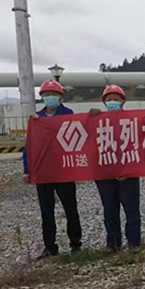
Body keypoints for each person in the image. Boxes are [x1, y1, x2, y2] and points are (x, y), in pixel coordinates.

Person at [23, 80, 82, 258]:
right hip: (43, 172)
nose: (50, 98)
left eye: (54, 95)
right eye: (47, 95)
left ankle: (75, 242)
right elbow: (29, 146)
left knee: (70, 208)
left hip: (64, 170)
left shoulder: (68, 114)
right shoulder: (37, 119)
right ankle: (50, 246)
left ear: (60, 97)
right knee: (46, 211)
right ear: (42, 97)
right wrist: (27, 169)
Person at [93, 85, 141, 251]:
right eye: (109, 99)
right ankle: (113, 243)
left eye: (116, 99)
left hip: (129, 174)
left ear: (123, 101)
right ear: (104, 102)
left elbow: (140, 145)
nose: (112, 102)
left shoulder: (131, 120)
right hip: (105, 175)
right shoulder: (97, 121)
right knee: (110, 210)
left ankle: (134, 243)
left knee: (132, 211)